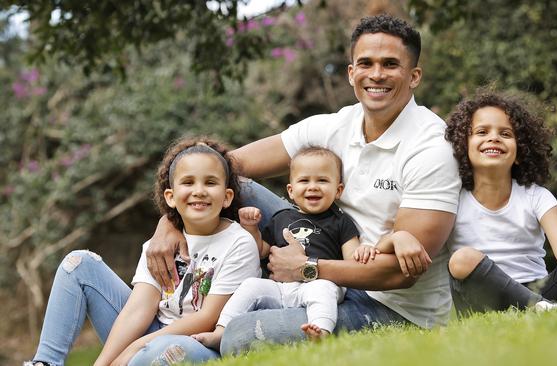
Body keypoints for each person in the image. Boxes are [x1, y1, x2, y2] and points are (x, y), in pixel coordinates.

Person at [145, 14, 461, 357]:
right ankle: (195, 305)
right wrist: (170, 220)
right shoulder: (337, 125)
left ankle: (195, 346)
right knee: (233, 184)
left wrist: (307, 269)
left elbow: (402, 273)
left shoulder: (431, 148)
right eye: (366, 63)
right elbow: (224, 165)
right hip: (315, 263)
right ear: (351, 72)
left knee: (243, 335)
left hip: (390, 307)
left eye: (390, 64)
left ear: (414, 76)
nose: (376, 74)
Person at [24, 137, 261, 366]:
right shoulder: (160, 245)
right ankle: (45, 363)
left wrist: (135, 348)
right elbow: (138, 309)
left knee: (168, 352)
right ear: (170, 196)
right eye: (188, 183)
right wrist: (104, 362)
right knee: (78, 264)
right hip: (151, 334)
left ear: (227, 196)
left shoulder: (238, 243)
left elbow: (207, 319)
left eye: (210, 183)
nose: (199, 191)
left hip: (200, 344)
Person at [443, 91, 557, 316]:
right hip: (485, 299)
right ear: (463, 146)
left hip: (543, 293)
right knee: (462, 259)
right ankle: (543, 310)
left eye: (505, 133)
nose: (494, 138)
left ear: (520, 151)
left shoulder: (535, 195)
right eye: (482, 132)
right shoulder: (451, 197)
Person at [192, 147, 364, 351]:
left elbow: (352, 262)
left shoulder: (341, 222)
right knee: (250, 285)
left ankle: (321, 331)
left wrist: (363, 251)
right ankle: (220, 332)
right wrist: (251, 228)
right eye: (304, 181)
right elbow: (262, 251)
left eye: (322, 181)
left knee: (322, 290)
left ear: (338, 190)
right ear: (291, 190)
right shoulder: (281, 218)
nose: (313, 187)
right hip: (282, 288)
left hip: (320, 282)